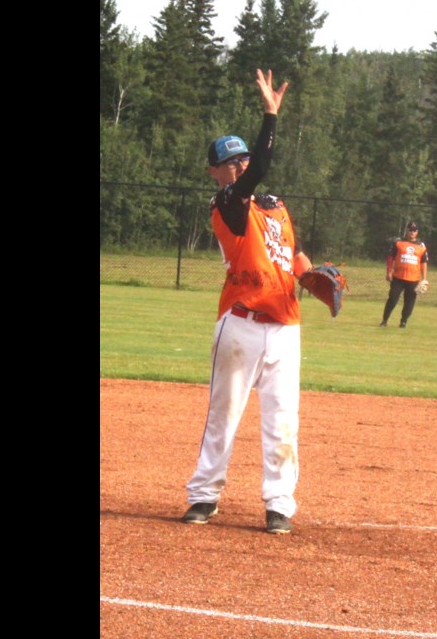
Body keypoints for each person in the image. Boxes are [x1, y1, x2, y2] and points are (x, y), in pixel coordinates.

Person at [181, 69, 312, 535]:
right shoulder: (227, 204)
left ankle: (279, 505)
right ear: (216, 171)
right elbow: (260, 169)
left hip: (285, 326)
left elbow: (293, 252)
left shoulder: (274, 206)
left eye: (241, 160)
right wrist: (270, 114)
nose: (237, 167)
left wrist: (310, 275)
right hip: (240, 323)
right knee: (224, 415)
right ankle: (204, 495)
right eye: (229, 163)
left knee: (283, 423)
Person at [379, 221, 429, 329]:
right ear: (406, 231)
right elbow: (390, 257)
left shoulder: (421, 246)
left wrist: (424, 279)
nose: (412, 232)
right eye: (410, 230)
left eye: (414, 230)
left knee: (409, 301)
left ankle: (403, 322)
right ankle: (385, 320)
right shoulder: (398, 242)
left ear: (417, 232)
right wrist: (389, 271)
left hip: (413, 279)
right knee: (392, 298)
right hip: (398, 277)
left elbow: (423, 262)